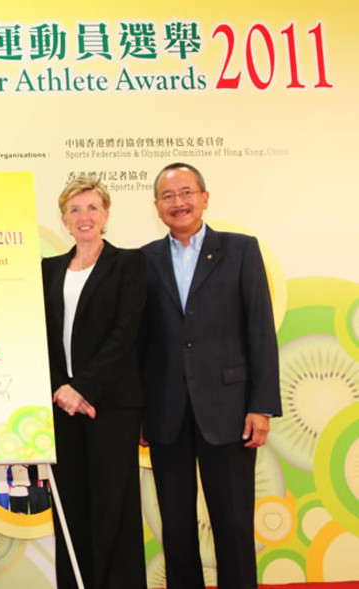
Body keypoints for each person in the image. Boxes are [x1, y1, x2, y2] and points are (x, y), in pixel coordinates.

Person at [140, 162, 281, 588]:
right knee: (177, 528)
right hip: (168, 413)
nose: (178, 203)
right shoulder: (143, 260)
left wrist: (261, 406)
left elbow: (259, 329)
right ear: (157, 207)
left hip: (230, 409)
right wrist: (142, 412)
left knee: (234, 524)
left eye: (186, 192)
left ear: (204, 198)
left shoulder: (241, 250)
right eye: (168, 196)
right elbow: (141, 343)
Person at [42, 177, 147, 588]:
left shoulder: (129, 264)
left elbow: (126, 333)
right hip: (61, 406)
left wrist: (83, 387)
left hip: (111, 406)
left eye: (92, 208)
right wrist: (61, 390)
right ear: (64, 220)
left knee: (113, 509)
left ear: (105, 215)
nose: (84, 217)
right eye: (75, 210)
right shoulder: (48, 270)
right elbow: (43, 338)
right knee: (70, 509)